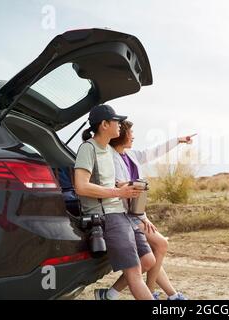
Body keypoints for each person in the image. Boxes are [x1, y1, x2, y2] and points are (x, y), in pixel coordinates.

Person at [74, 104, 155, 300]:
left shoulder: (109, 151)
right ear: (104, 124)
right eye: (116, 121)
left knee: (148, 260)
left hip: (122, 213)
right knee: (134, 272)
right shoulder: (88, 149)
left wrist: (131, 187)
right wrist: (118, 191)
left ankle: (108, 296)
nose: (120, 125)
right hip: (107, 216)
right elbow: (81, 187)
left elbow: (113, 182)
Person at [108, 120, 195, 300]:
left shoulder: (130, 155)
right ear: (121, 135)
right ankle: (152, 293)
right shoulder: (110, 158)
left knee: (155, 253)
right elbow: (119, 190)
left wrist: (178, 140)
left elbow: (155, 151)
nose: (133, 136)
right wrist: (142, 217)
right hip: (125, 215)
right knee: (161, 245)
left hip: (136, 213)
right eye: (130, 133)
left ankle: (168, 295)